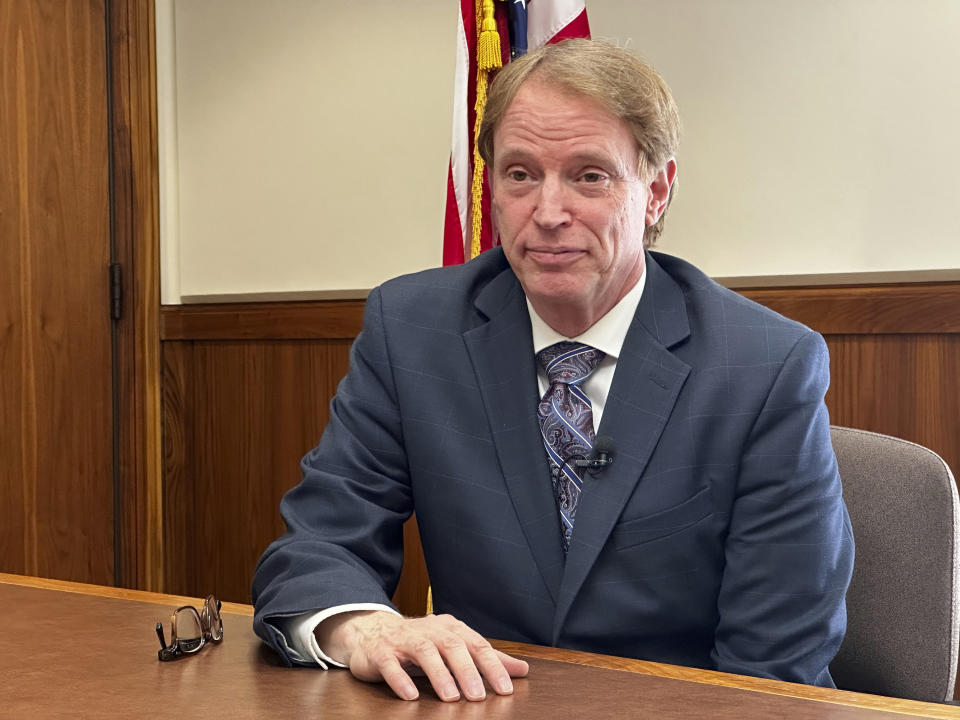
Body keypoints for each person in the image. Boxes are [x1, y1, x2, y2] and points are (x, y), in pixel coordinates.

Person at [252, 38, 854, 703]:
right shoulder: (413, 331)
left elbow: (771, 674)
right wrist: (363, 629)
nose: (547, 213)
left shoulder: (765, 367)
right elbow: (315, 548)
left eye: (588, 175)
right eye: (520, 174)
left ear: (655, 191)